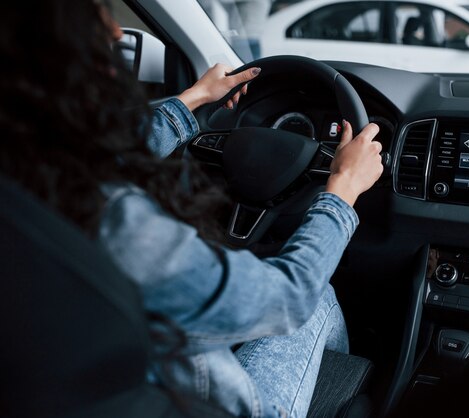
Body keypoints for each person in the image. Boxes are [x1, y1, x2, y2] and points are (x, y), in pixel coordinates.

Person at [0, 1, 383, 417]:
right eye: (91, 13)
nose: (114, 34)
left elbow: (103, 156)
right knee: (318, 298)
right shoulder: (119, 227)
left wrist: (194, 98)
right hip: (202, 405)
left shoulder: (26, 184)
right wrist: (342, 190)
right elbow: (288, 297)